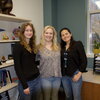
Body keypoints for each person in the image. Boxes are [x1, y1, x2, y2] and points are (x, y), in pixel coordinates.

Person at [13, 23, 41, 100]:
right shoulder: (18, 46)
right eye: (27, 30)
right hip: (26, 83)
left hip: (37, 79)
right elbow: (17, 67)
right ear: (22, 32)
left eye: (31, 30)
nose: (29, 32)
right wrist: (25, 85)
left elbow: (33, 63)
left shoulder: (33, 46)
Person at [59, 27, 87, 100]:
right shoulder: (61, 47)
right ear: (61, 37)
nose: (65, 36)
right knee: (68, 96)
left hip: (75, 74)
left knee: (76, 97)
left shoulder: (78, 44)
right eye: (63, 35)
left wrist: (79, 74)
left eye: (66, 34)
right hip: (64, 76)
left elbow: (84, 60)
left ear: (70, 34)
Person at [37, 25, 61, 100]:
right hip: (45, 77)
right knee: (46, 97)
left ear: (53, 35)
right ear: (43, 34)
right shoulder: (38, 47)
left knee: (55, 96)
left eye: (51, 33)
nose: (48, 35)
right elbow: (35, 62)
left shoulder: (58, 46)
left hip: (57, 76)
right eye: (46, 33)